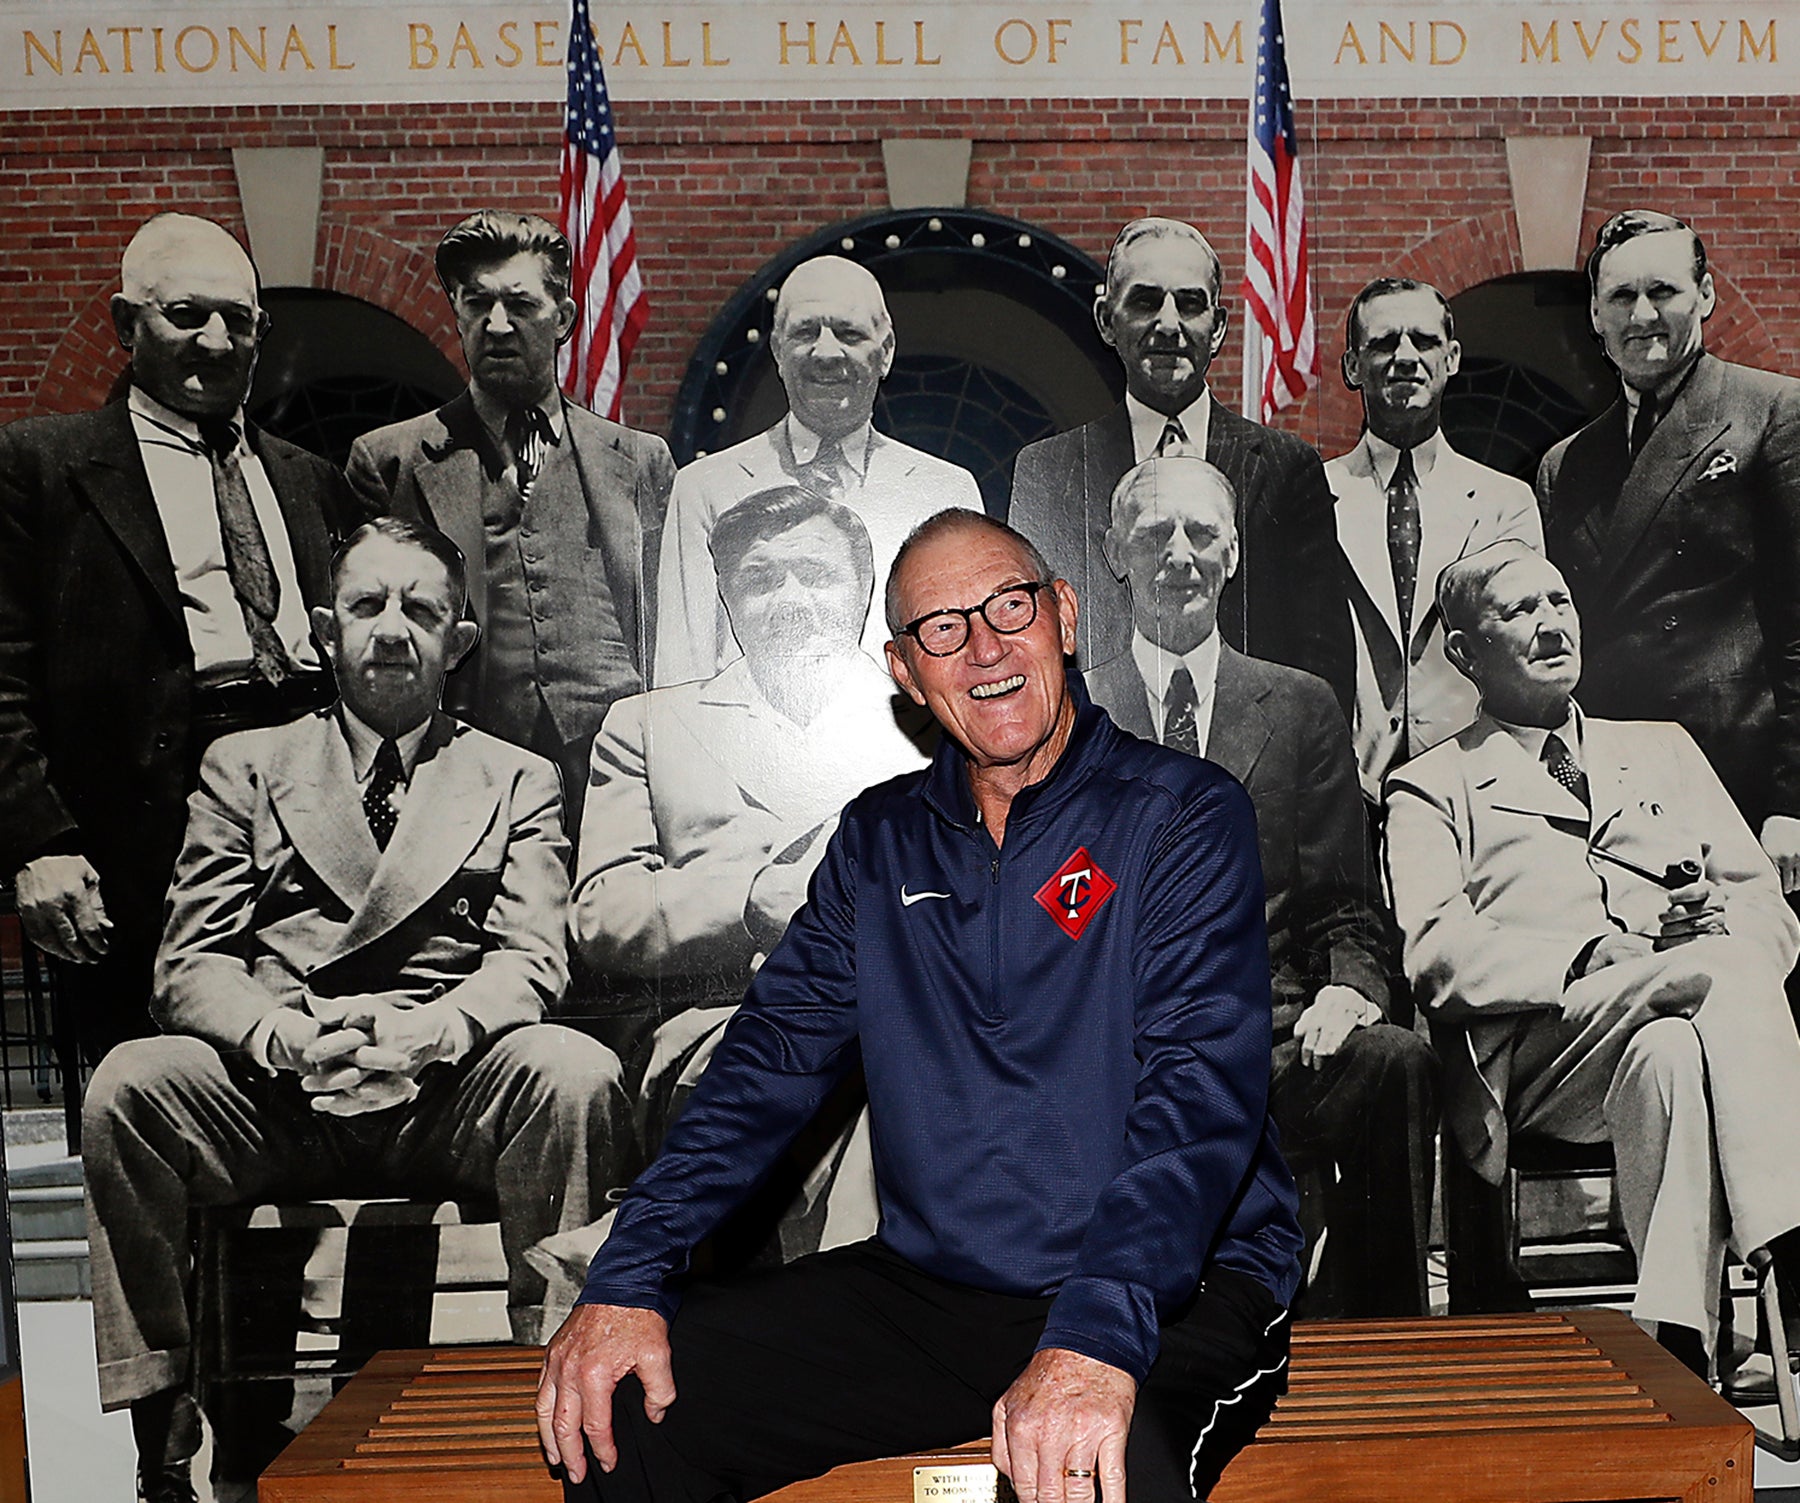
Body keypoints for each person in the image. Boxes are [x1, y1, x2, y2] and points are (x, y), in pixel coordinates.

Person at [538, 509, 1301, 1502]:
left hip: (1166, 1290)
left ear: (1064, 616)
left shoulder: (1182, 813)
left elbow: (1199, 1093)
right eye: (943, 628)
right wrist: (629, 1274)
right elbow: (765, 1064)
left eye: (1008, 608)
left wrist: (1094, 1336)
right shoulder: (880, 840)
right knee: (627, 1415)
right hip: (936, 1290)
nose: (983, 647)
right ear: (906, 670)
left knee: (1101, 1473)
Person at [82, 518, 631, 1503]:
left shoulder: (517, 777)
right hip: (280, 1093)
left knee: (572, 1071)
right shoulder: (243, 767)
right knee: (131, 1084)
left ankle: (555, 1391)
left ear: (458, 641)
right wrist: (284, 1036)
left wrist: (430, 1033)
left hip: (446, 1094)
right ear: (325, 632)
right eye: (369, 606)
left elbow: (531, 961)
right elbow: (190, 963)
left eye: (420, 610)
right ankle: (160, 1422)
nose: (392, 630)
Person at [1384, 540, 1800, 1375]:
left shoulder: (1666, 749)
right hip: (1541, 1054)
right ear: (1465, 653)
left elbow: (1768, 912)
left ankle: (1676, 1337)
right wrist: (1583, 956)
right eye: (1521, 611)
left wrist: (1720, 920)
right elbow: (1435, 949)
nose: (1550, 625)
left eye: (1560, 603)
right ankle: (1791, 1246)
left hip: (1675, 1020)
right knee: (1710, 976)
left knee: (1676, 1038)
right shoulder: (1431, 784)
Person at [0, 212, 358, 1063]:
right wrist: (39, 845)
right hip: (142, 856)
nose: (216, 338)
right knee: (155, 1106)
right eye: (187, 314)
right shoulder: (42, 470)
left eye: (239, 320)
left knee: (312, 1084)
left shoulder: (310, 480)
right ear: (127, 324)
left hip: (308, 834)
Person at [1086, 454, 1436, 1317]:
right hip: (1116, 1051)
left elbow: (1344, 906)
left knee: (1394, 1060)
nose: (1180, 554)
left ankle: (1379, 1350)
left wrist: (1352, 992)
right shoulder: (1069, 714)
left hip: (1275, 1040)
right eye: (1154, 533)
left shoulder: (1302, 705)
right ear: (1114, 553)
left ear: (1233, 554)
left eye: (1201, 533)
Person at [567, 487, 931, 1263]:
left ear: (864, 591)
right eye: (762, 580)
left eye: (814, 575)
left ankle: (669, 1237)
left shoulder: (930, 726)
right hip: (718, 1026)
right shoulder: (649, 726)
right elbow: (604, 910)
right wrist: (749, 901)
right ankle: (853, 1309)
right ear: (727, 597)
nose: (791, 599)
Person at [347, 210, 674, 837]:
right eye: (478, 304)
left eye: (520, 304)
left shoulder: (639, 462)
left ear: (565, 319)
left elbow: (671, 630)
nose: (497, 325)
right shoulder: (393, 461)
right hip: (466, 764)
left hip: (620, 769)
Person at [1538, 209, 1800, 896]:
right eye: (1622, 297)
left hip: (1739, 785)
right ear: (1595, 315)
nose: (1643, 314)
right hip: (1621, 794)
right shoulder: (1566, 464)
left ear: (1706, 295)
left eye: (1664, 291)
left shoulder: (1771, 412)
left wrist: (1793, 801)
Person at [1009, 216, 1352, 712]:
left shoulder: (1285, 469)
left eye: (1189, 304)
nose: (1168, 324)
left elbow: (1324, 664)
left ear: (1217, 327)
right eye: (1146, 301)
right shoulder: (1050, 471)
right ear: (1107, 320)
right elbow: (1031, 645)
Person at [651, 255, 982, 688]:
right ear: (777, 351)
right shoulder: (706, 489)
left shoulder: (944, 492)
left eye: (848, 333)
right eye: (806, 332)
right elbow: (681, 674)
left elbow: (973, 657)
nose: (826, 352)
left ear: (885, 353)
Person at [1326, 277, 1542, 801]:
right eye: (1383, 343)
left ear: (1452, 358)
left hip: (1473, 789)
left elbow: (1522, 653)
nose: (1404, 357)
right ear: (1353, 366)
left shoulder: (1505, 504)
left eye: (1423, 341)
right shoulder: (1312, 494)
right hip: (1342, 790)